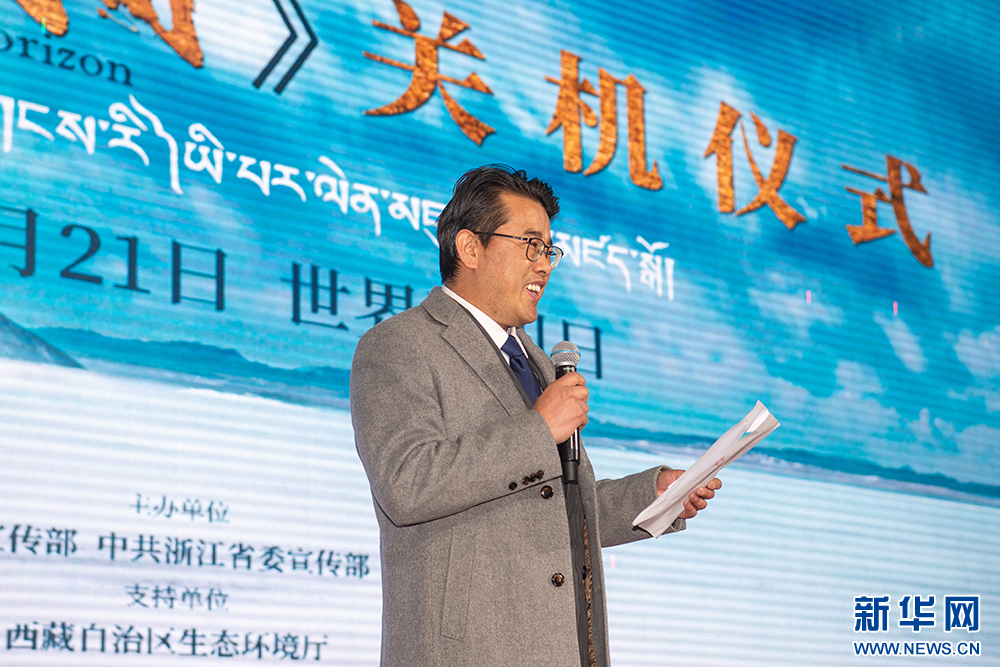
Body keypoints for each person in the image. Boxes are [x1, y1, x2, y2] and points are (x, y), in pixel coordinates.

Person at [351, 165, 721, 667]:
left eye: (549, 249)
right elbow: (407, 482)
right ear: (470, 248)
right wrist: (539, 429)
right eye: (530, 245)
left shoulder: (539, 362)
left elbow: (553, 505)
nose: (544, 265)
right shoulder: (399, 345)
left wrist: (654, 497)